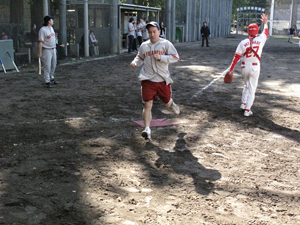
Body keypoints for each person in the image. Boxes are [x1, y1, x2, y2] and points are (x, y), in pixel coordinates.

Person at [130, 21, 180, 140]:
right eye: (150, 32)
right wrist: (135, 62)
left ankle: (172, 103)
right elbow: (140, 57)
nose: (152, 34)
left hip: (162, 79)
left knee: (166, 103)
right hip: (147, 78)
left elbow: (176, 57)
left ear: (159, 31)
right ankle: (147, 129)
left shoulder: (166, 44)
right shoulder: (144, 45)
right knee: (148, 103)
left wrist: (162, 57)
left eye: (154, 31)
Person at [227, 14, 269, 117]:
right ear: (256, 31)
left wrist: (231, 69)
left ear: (248, 31)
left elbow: (236, 57)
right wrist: (265, 23)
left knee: (246, 86)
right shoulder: (260, 39)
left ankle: (243, 103)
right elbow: (266, 32)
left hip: (244, 67)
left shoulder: (243, 42)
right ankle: (247, 110)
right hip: (255, 67)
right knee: (252, 89)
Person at [38, 15, 58, 88]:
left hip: (53, 49)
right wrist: (39, 52)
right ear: (48, 21)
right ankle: (47, 81)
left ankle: (51, 77)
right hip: (46, 50)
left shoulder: (51, 28)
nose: (52, 21)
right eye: (51, 20)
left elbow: (53, 39)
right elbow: (40, 42)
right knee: (47, 66)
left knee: (54, 64)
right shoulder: (43, 30)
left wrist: (55, 47)